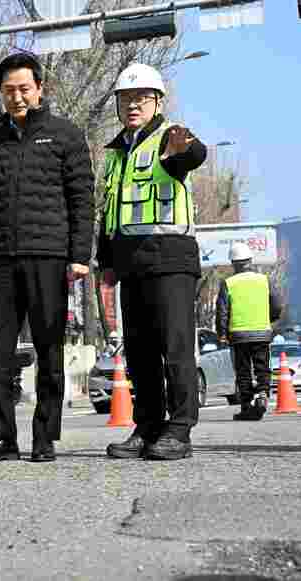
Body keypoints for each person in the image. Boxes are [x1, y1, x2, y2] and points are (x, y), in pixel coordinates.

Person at [0, 53, 95, 463]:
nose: (17, 97)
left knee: (49, 348)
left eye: (24, 89)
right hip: (0, 259)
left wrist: (79, 256)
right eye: (9, 90)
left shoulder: (65, 136)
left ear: (40, 89)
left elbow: (82, 199)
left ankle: (44, 435)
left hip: (49, 257)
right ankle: (4, 435)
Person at [98, 63, 207, 461]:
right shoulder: (116, 152)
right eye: (125, 98)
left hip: (171, 260)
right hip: (131, 264)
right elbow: (109, 211)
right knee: (140, 350)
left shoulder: (169, 138)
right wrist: (104, 263)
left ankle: (179, 430)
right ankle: (147, 427)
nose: (132, 105)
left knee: (174, 346)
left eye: (141, 98)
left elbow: (194, 155)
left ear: (158, 101)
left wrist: (187, 147)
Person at [216, 241, 282, 421]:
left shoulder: (228, 283)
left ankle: (246, 405)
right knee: (262, 366)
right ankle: (262, 393)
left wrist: (221, 334)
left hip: (238, 335)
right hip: (261, 332)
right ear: (250, 260)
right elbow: (276, 304)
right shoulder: (265, 280)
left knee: (243, 370)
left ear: (233, 263)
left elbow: (222, 311)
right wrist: (270, 319)